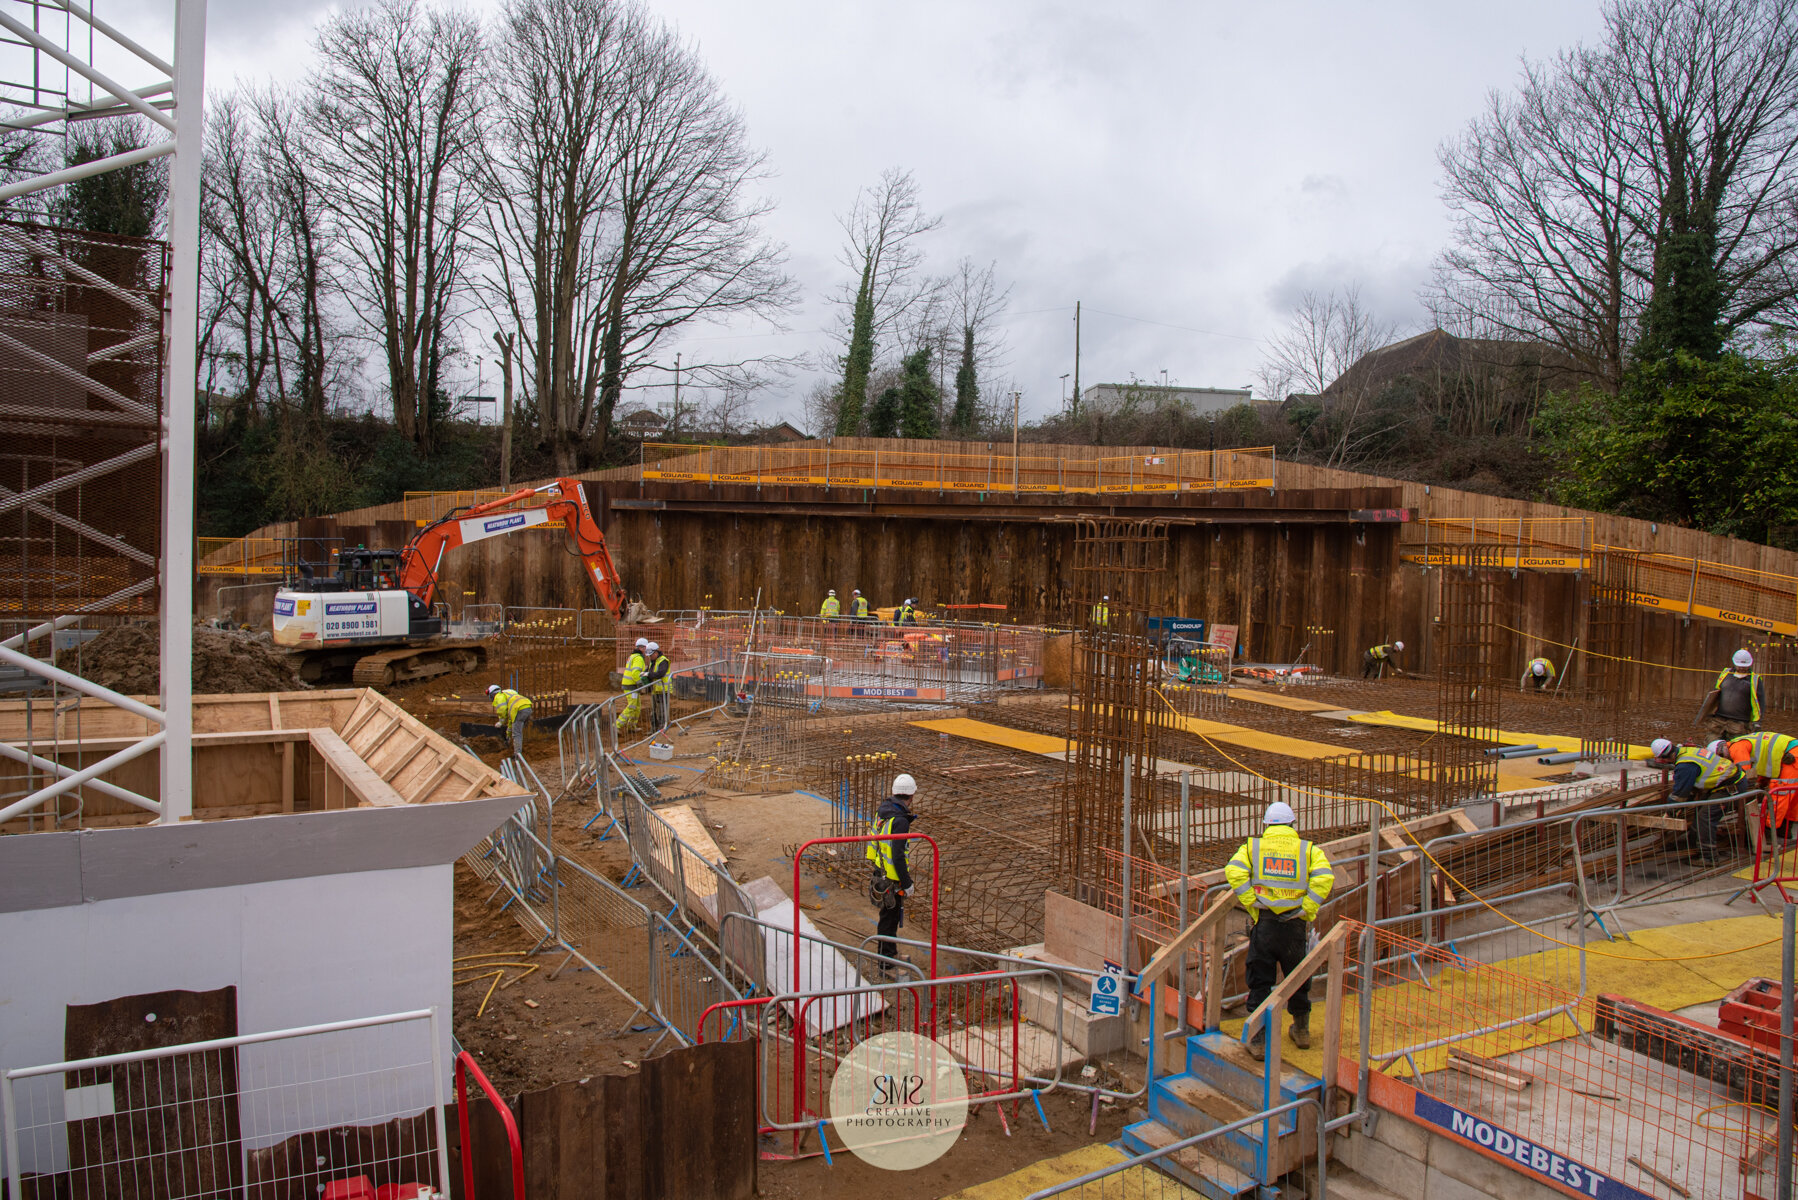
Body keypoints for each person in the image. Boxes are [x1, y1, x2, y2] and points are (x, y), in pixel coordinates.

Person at [1224, 801, 1335, 1059]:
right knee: (1298, 977)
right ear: (1293, 825)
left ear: (1266, 825)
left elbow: (1234, 871)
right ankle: (1301, 1030)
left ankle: (1259, 1040)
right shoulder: (1307, 850)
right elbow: (1324, 878)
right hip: (1294, 925)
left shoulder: (1254, 847)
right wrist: (1307, 907)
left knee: (1260, 980)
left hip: (1265, 924)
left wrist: (1252, 902)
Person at [1652, 737, 1748, 862]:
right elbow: (1691, 786)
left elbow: (1680, 793)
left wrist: (1671, 811)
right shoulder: (1687, 751)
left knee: (1706, 817)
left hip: (1732, 787)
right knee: (1700, 812)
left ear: (1664, 758)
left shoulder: (1685, 765)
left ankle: (1708, 858)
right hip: (1724, 784)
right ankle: (1693, 848)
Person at [867, 773, 918, 970]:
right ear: (911, 796)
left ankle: (889, 954)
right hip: (891, 878)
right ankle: (886, 961)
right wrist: (907, 883)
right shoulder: (899, 820)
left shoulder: (883, 811)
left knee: (887, 917)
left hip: (880, 871)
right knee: (889, 919)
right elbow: (897, 856)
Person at [1726, 730, 1798, 834]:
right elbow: (1766, 763)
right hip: (1792, 752)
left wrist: (1744, 789)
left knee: (1781, 794)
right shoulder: (1743, 742)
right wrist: (1762, 782)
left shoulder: (1735, 747)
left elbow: (1744, 774)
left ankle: (1772, 829)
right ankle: (1787, 829)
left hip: (1793, 756)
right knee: (1792, 794)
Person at [1707, 650, 1767, 738]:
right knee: (1712, 745)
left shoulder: (1754, 679)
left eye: (1745, 666)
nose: (1742, 668)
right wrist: (1709, 711)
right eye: (1740, 666)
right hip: (1719, 720)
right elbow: (1715, 693)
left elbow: (1760, 702)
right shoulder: (1726, 673)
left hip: (1740, 723)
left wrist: (1757, 722)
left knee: (1736, 748)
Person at [487, 683, 534, 756]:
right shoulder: (509, 693)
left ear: (492, 694)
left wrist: (501, 722)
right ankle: (524, 746)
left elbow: (502, 710)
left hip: (519, 710)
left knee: (517, 734)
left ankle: (517, 755)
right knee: (519, 729)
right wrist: (508, 734)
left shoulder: (499, 696)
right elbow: (511, 720)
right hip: (527, 706)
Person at [616, 641, 648, 734]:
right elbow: (635, 673)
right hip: (631, 686)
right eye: (646, 648)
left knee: (637, 706)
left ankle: (631, 725)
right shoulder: (638, 658)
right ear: (642, 648)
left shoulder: (633, 656)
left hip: (631, 684)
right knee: (632, 706)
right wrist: (640, 684)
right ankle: (617, 725)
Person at [643, 641, 673, 730]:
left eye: (651, 655)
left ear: (656, 652)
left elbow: (660, 673)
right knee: (654, 711)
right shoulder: (653, 662)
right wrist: (645, 674)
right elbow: (650, 671)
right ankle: (654, 729)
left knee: (662, 711)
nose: (650, 657)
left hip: (663, 690)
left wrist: (648, 675)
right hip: (655, 690)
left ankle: (662, 729)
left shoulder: (663, 661)